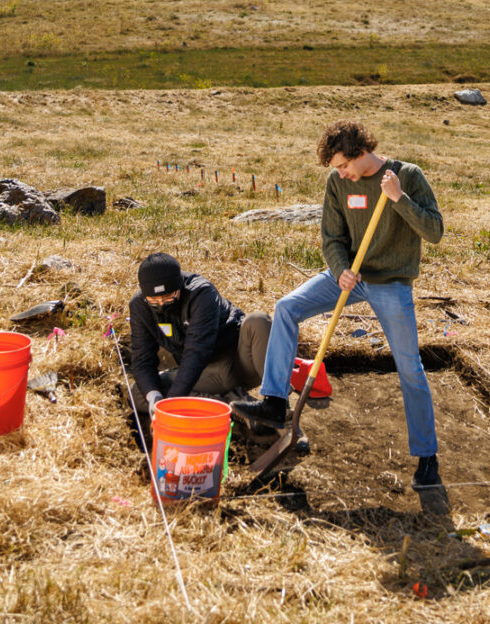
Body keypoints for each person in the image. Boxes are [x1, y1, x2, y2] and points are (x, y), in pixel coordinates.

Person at [232, 120, 444, 490]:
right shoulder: (337, 184)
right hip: (348, 276)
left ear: (361, 152)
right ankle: (275, 402)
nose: (341, 175)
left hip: (390, 282)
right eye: (336, 169)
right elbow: (331, 236)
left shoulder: (406, 176)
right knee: (286, 308)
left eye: (343, 166)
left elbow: (434, 231)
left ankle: (427, 457)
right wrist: (340, 269)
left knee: (409, 367)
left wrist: (399, 199)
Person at [128, 253, 271, 421]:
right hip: (205, 375)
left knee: (258, 320)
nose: (161, 304)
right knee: (140, 393)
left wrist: (172, 401)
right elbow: (142, 359)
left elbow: (196, 352)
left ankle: (277, 404)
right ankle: (233, 405)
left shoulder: (201, 293)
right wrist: (154, 397)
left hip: (240, 363)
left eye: (168, 297)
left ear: (179, 286)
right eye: (153, 300)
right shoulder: (139, 306)